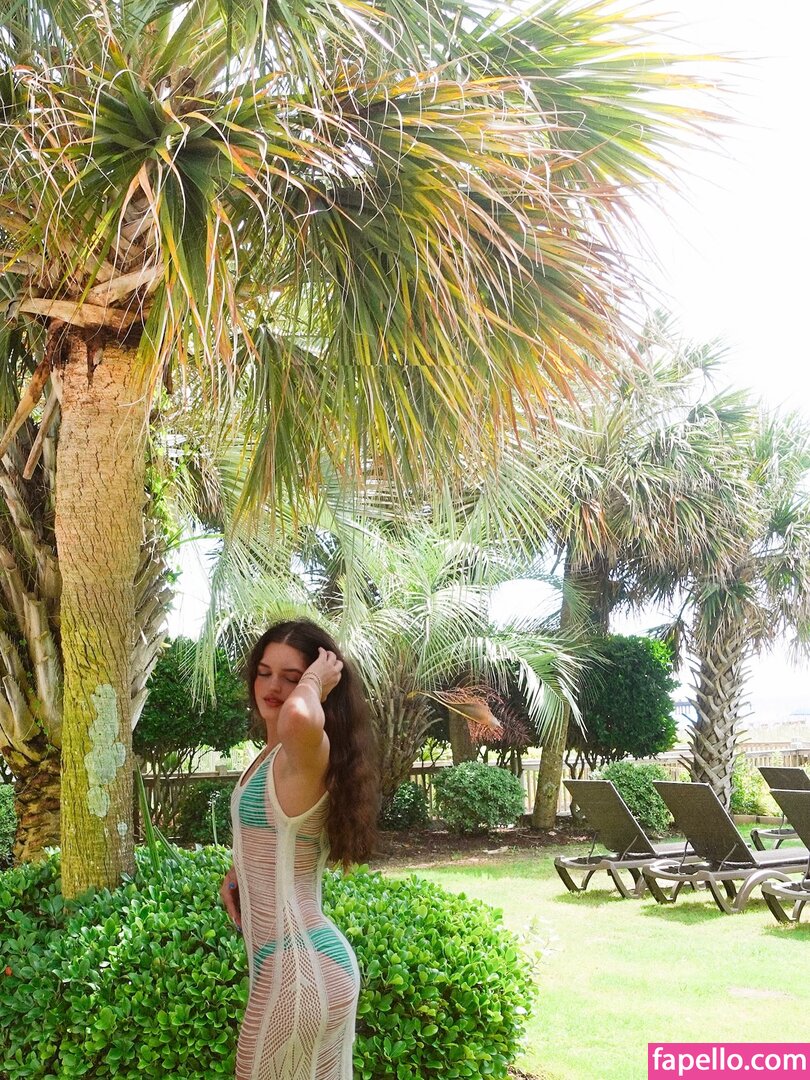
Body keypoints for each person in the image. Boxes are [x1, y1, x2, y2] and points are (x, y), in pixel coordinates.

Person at [220, 619, 378, 1080]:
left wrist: (316, 679)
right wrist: (239, 872)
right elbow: (276, 833)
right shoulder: (272, 759)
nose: (273, 687)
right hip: (299, 965)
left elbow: (300, 718)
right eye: (264, 672)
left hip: (299, 973)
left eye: (290, 677)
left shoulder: (307, 752)